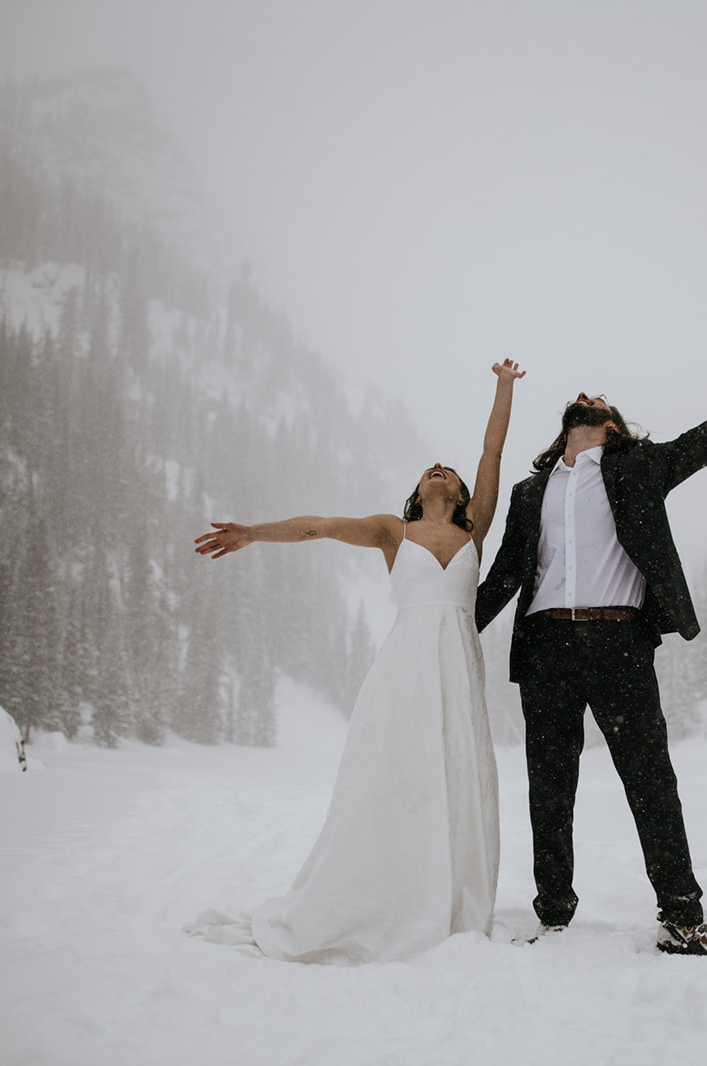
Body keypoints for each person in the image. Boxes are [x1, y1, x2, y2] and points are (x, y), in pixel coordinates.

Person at [475, 356, 707, 955]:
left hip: (620, 645)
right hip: (546, 650)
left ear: (612, 426)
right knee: (549, 786)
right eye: (584, 394)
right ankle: (553, 916)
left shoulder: (640, 467)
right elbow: (506, 575)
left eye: (600, 398)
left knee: (650, 781)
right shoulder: (528, 491)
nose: (587, 395)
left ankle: (682, 915)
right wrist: (450, 624)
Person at [185, 359, 525, 964]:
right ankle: (378, 893)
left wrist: (503, 387)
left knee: (452, 777)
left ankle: (443, 896)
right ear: (417, 494)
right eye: (427, 470)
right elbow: (318, 526)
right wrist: (253, 533)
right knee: (393, 779)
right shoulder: (392, 531)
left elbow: (492, 450)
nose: (437, 469)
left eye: (445, 469)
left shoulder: (476, 529)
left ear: (462, 493)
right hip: (406, 670)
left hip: (458, 670)